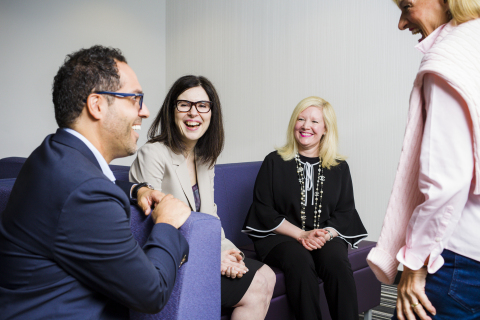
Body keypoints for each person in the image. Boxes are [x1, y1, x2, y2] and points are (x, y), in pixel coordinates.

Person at [0, 46, 191, 319]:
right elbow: (152, 293)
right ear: (97, 105)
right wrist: (167, 223)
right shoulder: (86, 191)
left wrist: (137, 189)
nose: (145, 111)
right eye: (135, 98)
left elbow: (86, 187)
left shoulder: (53, 155)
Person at [366, 1, 480, 319]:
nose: (402, 24)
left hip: (457, 261)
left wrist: (416, 262)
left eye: (406, 6)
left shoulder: (450, 55)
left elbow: (448, 180)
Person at [129, 75, 276, 319]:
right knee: (257, 287)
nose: (193, 113)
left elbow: (210, 217)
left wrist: (228, 252)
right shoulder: (152, 153)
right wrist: (211, 257)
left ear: (211, 112)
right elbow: (153, 224)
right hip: (171, 263)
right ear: (172, 110)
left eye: (202, 106)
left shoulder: (205, 159)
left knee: (267, 275)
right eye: (184, 104)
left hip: (202, 256)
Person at [242, 96, 367, 320]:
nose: (305, 126)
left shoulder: (339, 167)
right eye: (300, 119)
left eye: (314, 122)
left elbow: (345, 211)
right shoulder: (274, 161)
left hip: (322, 235)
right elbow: (264, 209)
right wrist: (300, 234)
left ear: (326, 129)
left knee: (337, 262)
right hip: (279, 237)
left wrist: (323, 234)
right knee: (299, 260)